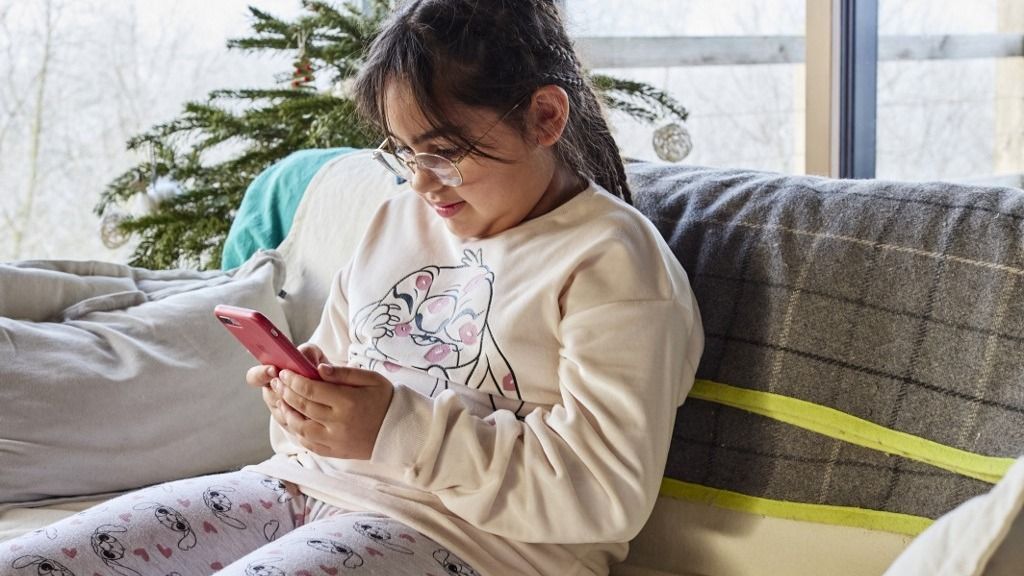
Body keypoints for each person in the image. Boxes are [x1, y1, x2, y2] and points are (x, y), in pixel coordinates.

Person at [0, 0, 702, 574]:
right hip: (300, 485)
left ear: (546, 117)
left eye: (444, 153)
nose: (421, 183)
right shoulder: (399, 214)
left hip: (474, 544)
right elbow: (343, 368)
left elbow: (602, 492)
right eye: (402, 153)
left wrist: (393, 428)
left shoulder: (613, 263)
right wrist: (304, 402)